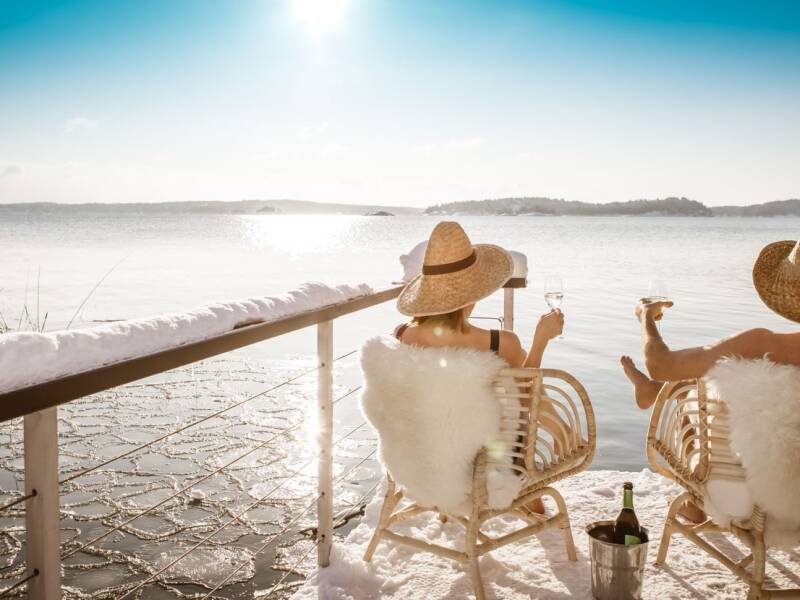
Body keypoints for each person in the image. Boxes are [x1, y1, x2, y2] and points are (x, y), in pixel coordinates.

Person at [621, 239, 800, 520]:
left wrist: (646, 318)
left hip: (760, 504)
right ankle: (656, 392)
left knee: (705, 391)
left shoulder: (764, 344)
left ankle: (659, 394)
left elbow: (660, 363)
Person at [395, 221, 565, 512]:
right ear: (474, 291)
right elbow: (528, 397)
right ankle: (559, 446)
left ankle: (558, 443)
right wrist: (541, 340)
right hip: (482, 468)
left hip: (418, 464)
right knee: (523, 398)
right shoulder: (501, 343)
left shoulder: (400, 337)